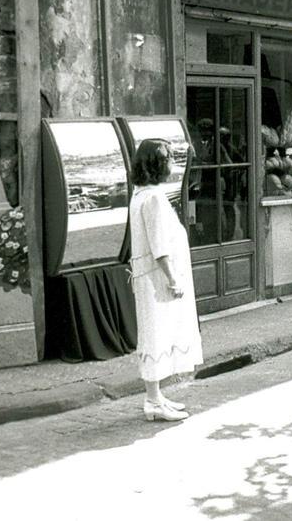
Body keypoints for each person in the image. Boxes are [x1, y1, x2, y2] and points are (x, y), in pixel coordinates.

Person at [129, 139, 204, 422]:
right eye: (170, 159)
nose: (173, 164)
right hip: (157, 280)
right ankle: (152, 400)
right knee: (156, 335)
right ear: (159, 164)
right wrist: (173, 279)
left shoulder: (141, 195)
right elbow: (159, 247)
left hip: (148, 278)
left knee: (155, 334)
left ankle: (157, 396)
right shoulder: (154, 199)